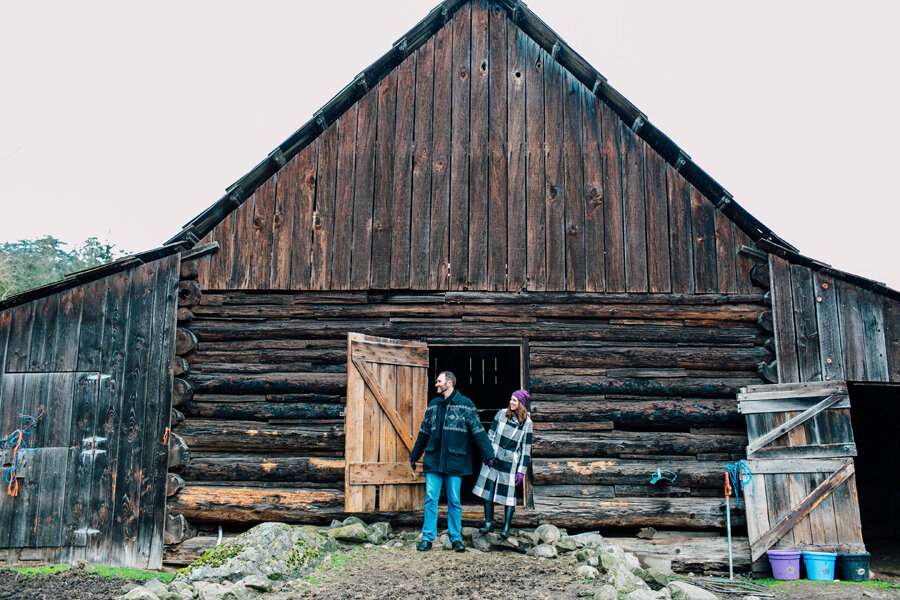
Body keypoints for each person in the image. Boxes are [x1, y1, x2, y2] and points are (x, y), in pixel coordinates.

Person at [409, 371, 494, 552]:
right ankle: (427, 538)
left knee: (454, 500)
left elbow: (478, 431)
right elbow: (424, 432)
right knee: (431, 498)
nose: (436, 384)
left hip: (454, 460)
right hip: (433, 459)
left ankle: (456, 538)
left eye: (439, 381)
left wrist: (488, 455)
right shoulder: (433, 405)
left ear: (449, 383)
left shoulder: (466, 405)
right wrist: (414, 455)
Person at [472, 389, 533, 537]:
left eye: (515, 400)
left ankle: (506, 528)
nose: (511, 402)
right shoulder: (501, 414)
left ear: (521, 404)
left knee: (508, 496)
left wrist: (521, 471)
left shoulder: (526, 423)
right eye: (511, 399)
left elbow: (526, 449)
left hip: (510, 462)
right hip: (494, 458)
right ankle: (488, 523)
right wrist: (488, 456)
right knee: (488, 491)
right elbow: (490, 434)